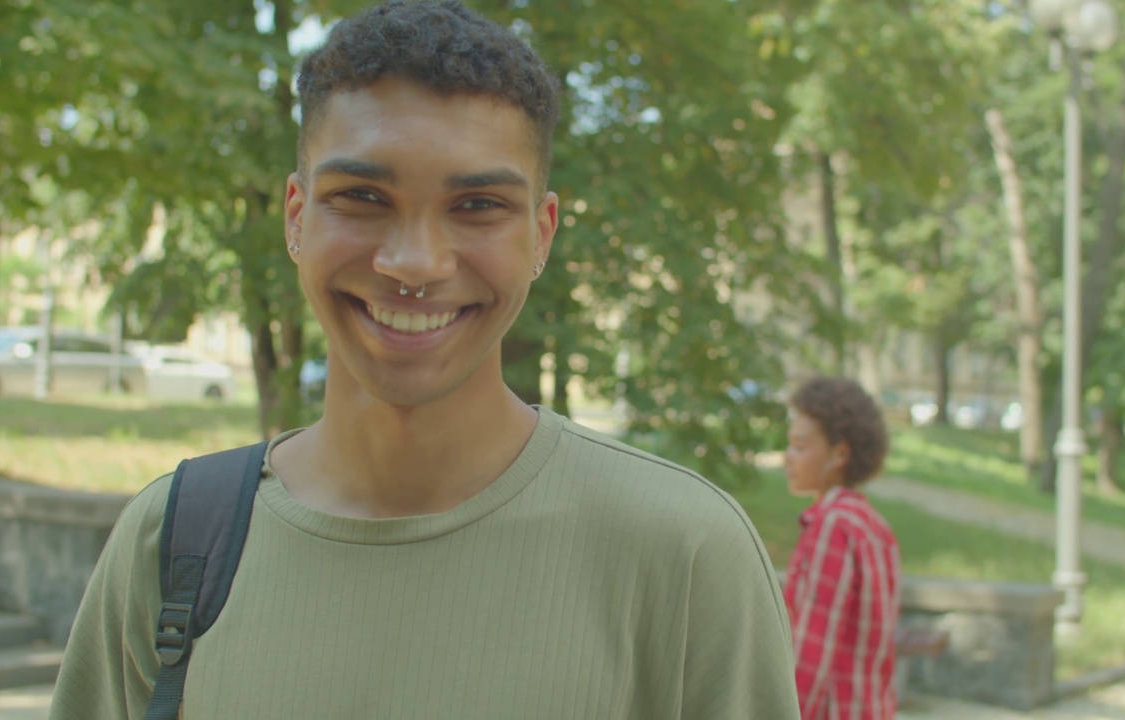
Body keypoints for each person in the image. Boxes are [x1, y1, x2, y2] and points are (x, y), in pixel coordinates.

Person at [49, 2, 799, 718]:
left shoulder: (684, 553)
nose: (414, 261)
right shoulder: (173, 542)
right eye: (363, 196)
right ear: (297, 218)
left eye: (477, 207)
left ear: (541, 235)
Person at [782, 376, 900, 720]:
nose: (788, 457)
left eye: (800, 446)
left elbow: (811, 652)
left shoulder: (832, 526)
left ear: (840, 453)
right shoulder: (873, 524)